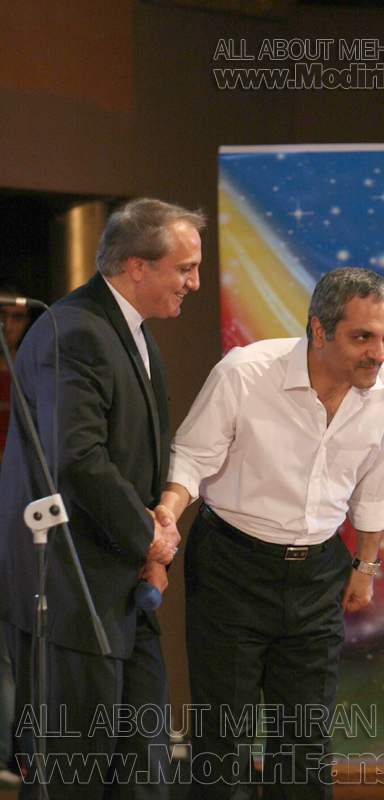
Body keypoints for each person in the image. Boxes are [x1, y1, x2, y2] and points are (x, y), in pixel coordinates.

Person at [153, 267, 384, 799]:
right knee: (223, 742)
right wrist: (167, 517)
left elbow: (377, 485)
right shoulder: (245, 372)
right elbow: (192, 458)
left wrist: (365, 566)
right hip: (231, 567)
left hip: (319, 573)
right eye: (362, 337)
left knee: (305, 748)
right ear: (319, 330)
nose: (378, 352)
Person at [0, 198, 205, 800]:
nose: (194, 282)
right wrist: (151, 538)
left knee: (142, 777)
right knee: (72, 779)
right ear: (136, 265)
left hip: (119, 594)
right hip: (68, 593)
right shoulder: (74, 329)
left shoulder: (131, 331)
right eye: (184, 268)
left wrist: (151, 542)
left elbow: (133, 457)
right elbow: (79, 459)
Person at [0, 286, 31, 790]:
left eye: (13, 316)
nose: (6, 326)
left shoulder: (34, 371)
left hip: (20, 523)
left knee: (16, 644)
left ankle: (15, 756)